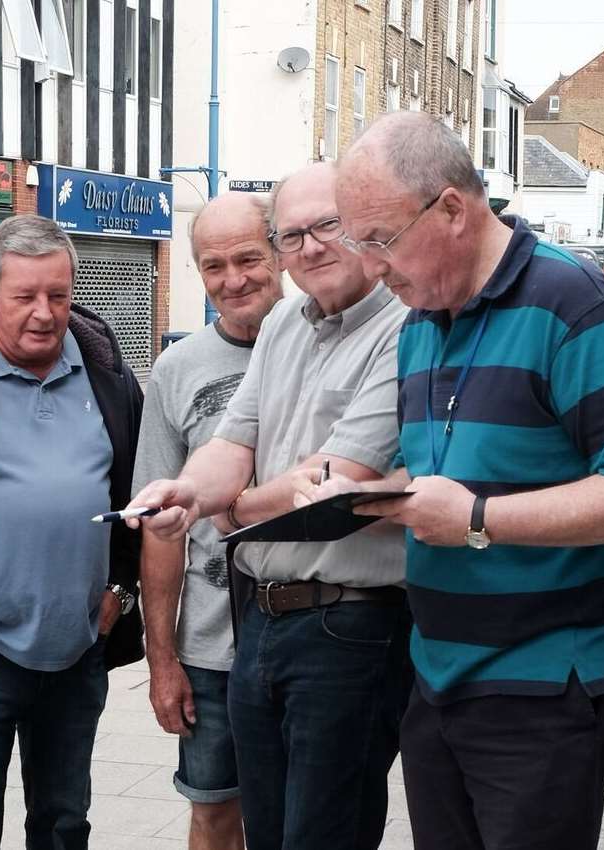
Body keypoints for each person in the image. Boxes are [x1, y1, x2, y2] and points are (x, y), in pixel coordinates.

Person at [307, 110, 604, 850]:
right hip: (443, 672)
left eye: (380, 240)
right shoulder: (424, 317)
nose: (373, 267)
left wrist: (479, 518)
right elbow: (455, 469)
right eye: (361, 243)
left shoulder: (572, 303)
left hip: (549, 679)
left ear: (451, 208)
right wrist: (369, 499)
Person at [128, 162, 410, 850]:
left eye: (327, 226)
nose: (310, 247)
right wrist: (187, 495)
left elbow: (339, 477)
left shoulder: (404, 325)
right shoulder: (286, 322)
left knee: (320, 835)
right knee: (265, 830)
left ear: (363, 226)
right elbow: (232, 440)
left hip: (350, 624)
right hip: (263, 619)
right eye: (293, 235)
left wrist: (233, 509)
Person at [0, 214, 145, 850]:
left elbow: (133, 498)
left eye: (59, 296)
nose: (45, 313)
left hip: (76, 648)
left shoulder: (105, 373)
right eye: (24, 297)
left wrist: (120, 593)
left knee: (65, 824)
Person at [133, 192, 283, 850]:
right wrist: (162, 661)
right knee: (215, 812)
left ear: (281, 253)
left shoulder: (326, 348)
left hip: (312, 633)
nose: (233, 279)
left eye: (249, 258)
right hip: (212, 652)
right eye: (213, 265)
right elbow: (159, 533)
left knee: (309, 817)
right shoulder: (177, 369)